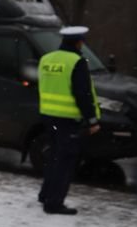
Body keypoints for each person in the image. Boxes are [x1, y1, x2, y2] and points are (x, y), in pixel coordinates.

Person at [37, 26, 101, 215]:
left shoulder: (46, 59)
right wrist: (92, 120)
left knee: (54, 157)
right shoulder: (76, 61)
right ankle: (54, 203)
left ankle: (45, 194)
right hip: (67, 119)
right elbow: (83, 93)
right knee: (65, 161)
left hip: (48, 115)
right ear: (79, 42)